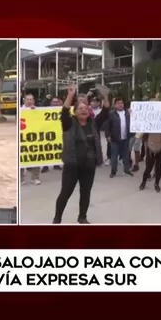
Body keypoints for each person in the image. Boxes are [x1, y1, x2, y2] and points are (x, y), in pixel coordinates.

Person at [53, 84, 109, 224]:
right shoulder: (68, 123)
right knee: (65, 193)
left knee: (85, 193)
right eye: (80, 108)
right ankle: (57, 218)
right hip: (72, 165)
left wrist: (105, 96)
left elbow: (106, 110)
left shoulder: (94, 123)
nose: (83, 110)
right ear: (75, 112)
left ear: (89, 111)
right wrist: (71, 95)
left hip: (89, 166)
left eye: (86, 108)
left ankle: (82, 217)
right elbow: (64, 112)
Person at [105, 98, 133, 178]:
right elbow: (107, 126)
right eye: (118, 103)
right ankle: (113, 171)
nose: (120, 104)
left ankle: (127, 170)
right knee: (114, 156)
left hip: (125, 138)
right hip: (115, 139)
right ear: (115, 105)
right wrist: (108, 136)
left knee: (126, 156)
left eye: (121, 103)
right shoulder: (111, 114)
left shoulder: (128, 113)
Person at [20, 94, 42, 185]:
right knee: (21, 158)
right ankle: (21, 179)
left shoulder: (38, 110)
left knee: (36, 157)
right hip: (23, 138)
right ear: (24, 100)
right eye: (27, 99)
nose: (29, 101)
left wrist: (35, 112)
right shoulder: (20, 110)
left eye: (31, 99)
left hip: (34, 138)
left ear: (34, 101)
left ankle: (35, 178)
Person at [42, 97, 65, 173]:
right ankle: (45, 166)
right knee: (47, 149)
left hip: (58, 133)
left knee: (58, 148)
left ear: (59, 103)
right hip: (48, 132)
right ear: (51, 103)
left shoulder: (62, 110)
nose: (55, 103)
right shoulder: (46, 110)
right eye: (53, 102)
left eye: (56, 102)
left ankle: (56, 164)